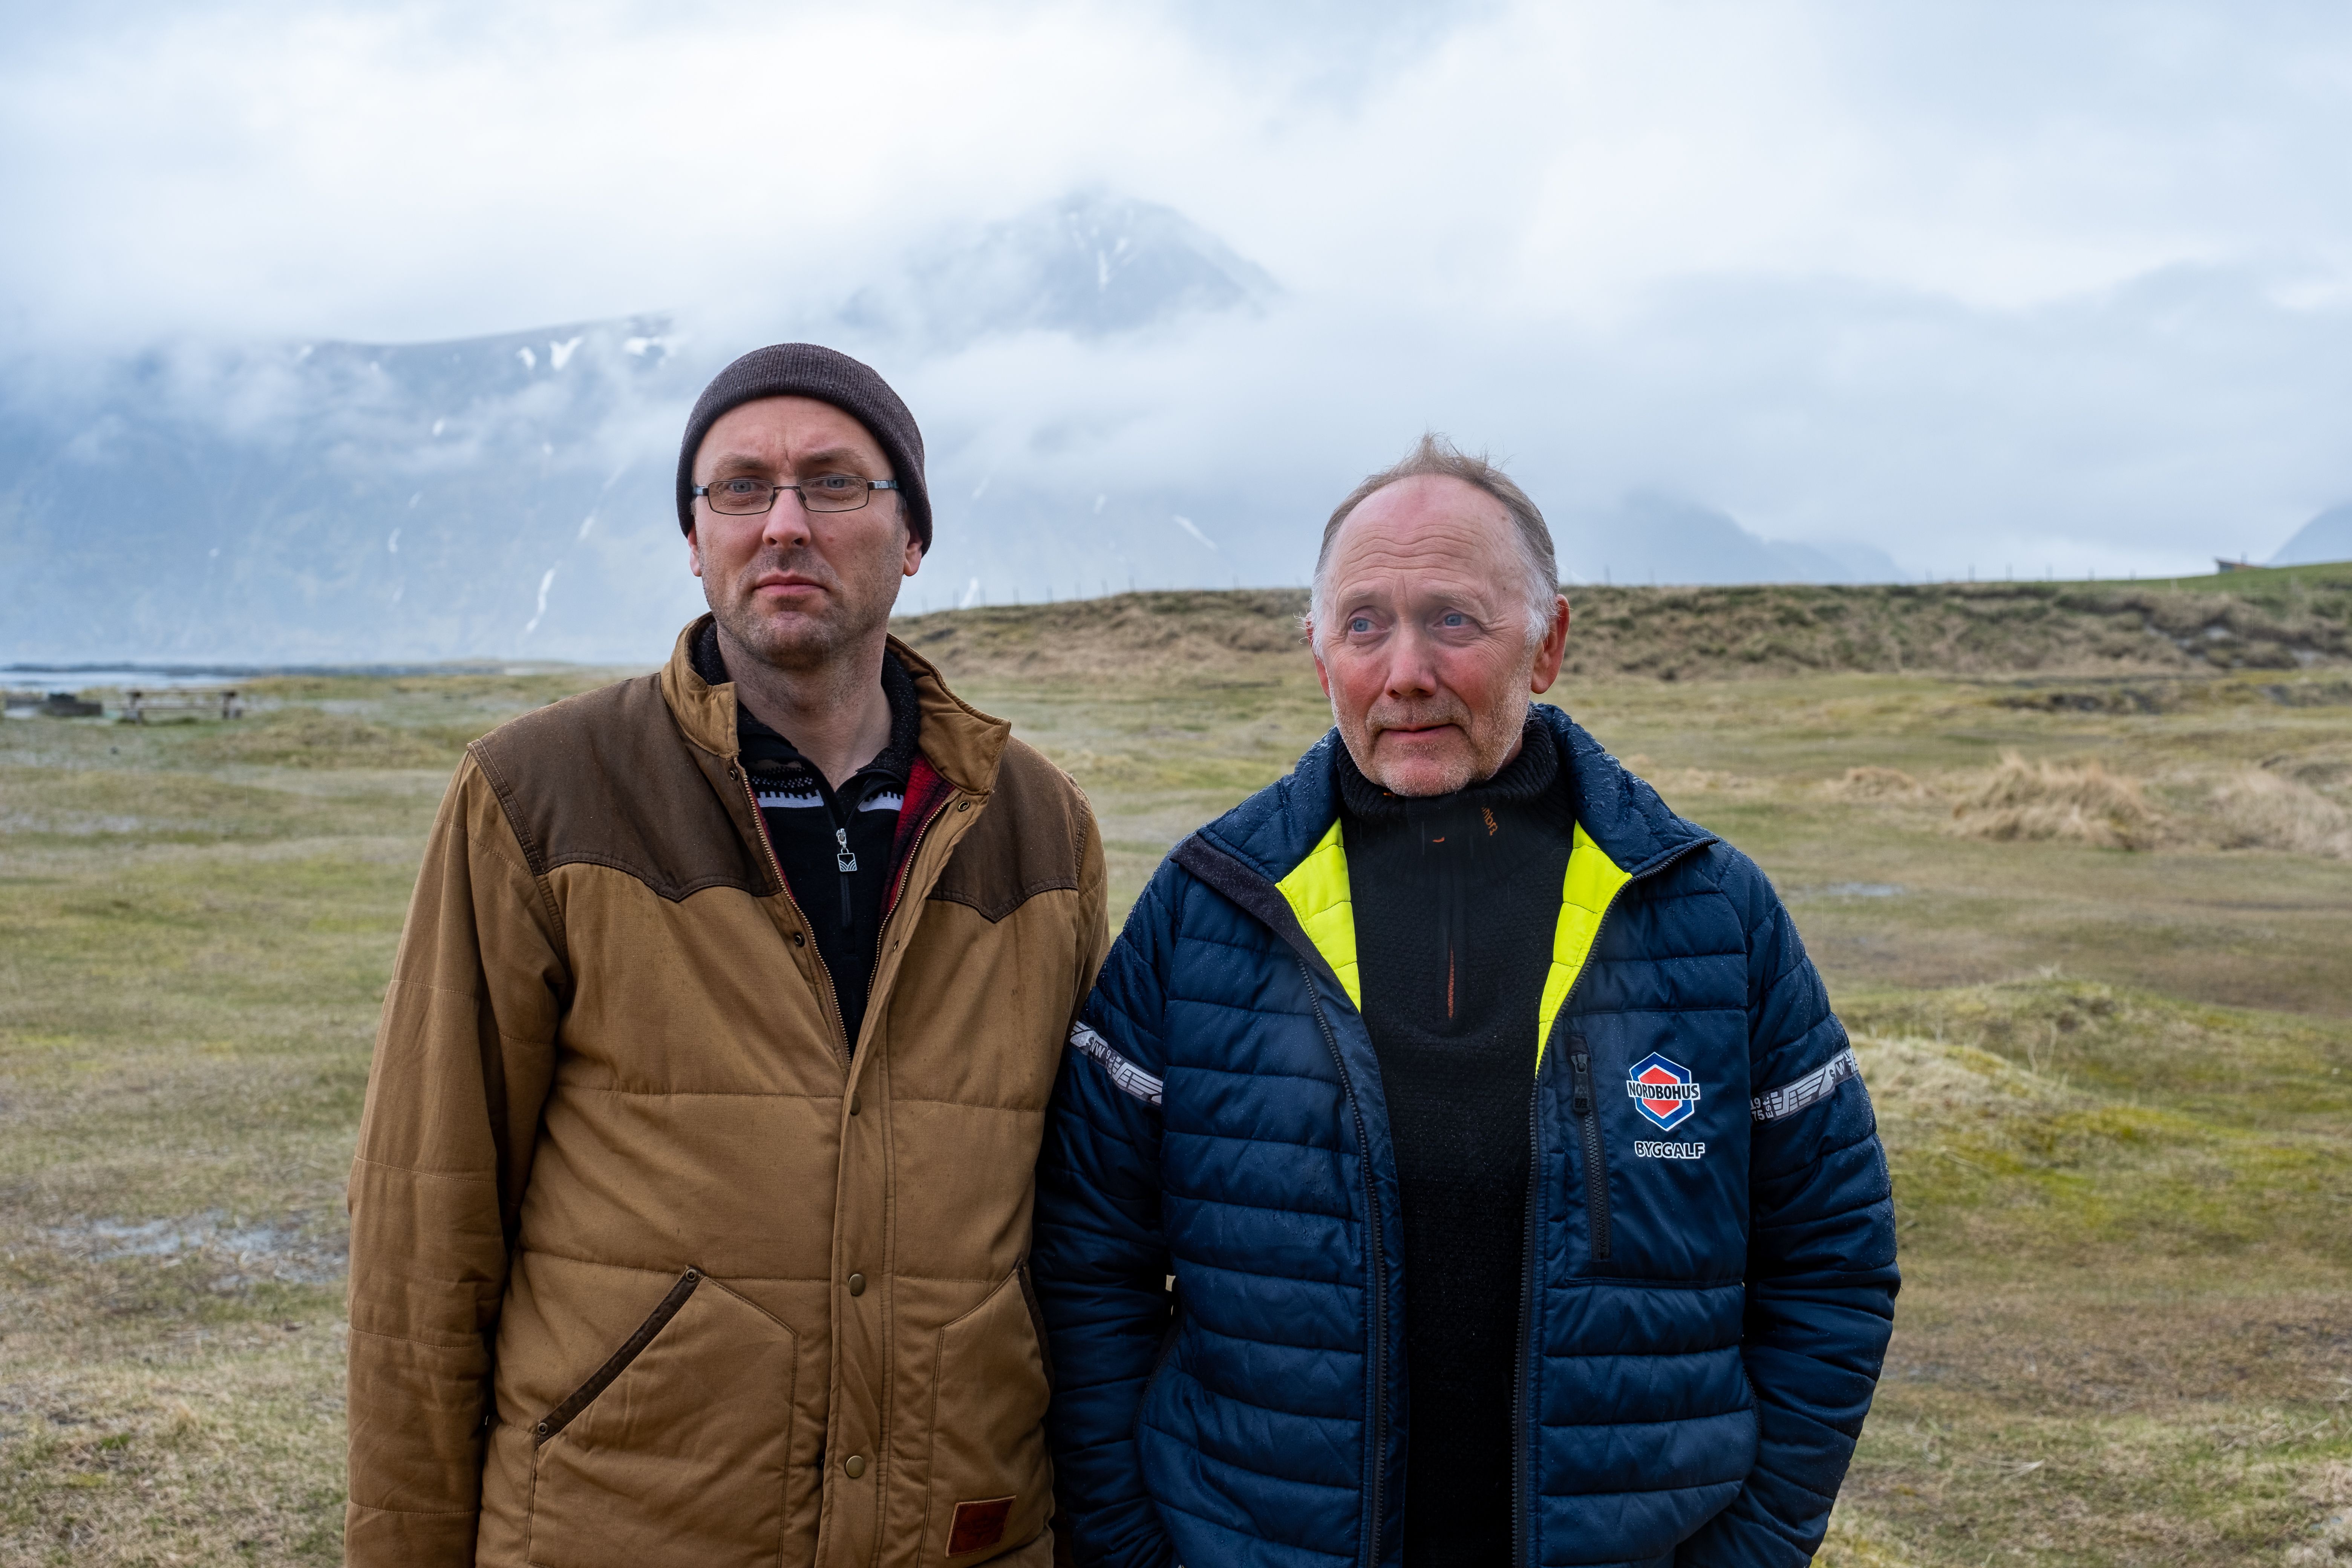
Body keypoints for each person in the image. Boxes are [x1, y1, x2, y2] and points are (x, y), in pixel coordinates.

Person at [1031, 436, 1898, 1568]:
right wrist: (1136, 1545)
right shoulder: (1206, 911)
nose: (1405, 673)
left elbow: (1832, 1258)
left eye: (1453, 619)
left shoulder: (1710, 914)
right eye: (1364, 625)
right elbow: (1086, 1258)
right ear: (1317, 653)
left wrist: (1756, 1544)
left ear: (1549, 645)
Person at [345, 344, 1107, 1567]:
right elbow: (426, 1231)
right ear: (694, 542)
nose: (786, 524)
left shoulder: (1038, 825)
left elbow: (1086, 1234)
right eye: (740, 489)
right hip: (622, 1531)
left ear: (912, 537)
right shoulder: (539, 796)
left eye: (837, 485)